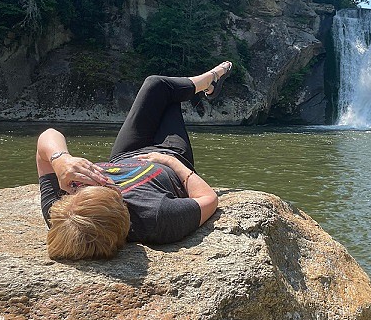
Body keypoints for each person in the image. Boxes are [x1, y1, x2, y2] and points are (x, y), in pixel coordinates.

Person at [36, 61, 233, 260]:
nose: (85, 184)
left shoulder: (63, 217)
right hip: (169, 154)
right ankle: (212, 79)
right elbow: (208, 199)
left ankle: (209, 81)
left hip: (124, 154)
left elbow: (48, 136)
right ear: (123, 209)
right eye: (106, 186)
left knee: (157, 85)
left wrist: (60, 159)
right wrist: (171, 163)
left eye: (80, 189)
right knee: (165, 91)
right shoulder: (157, 217)